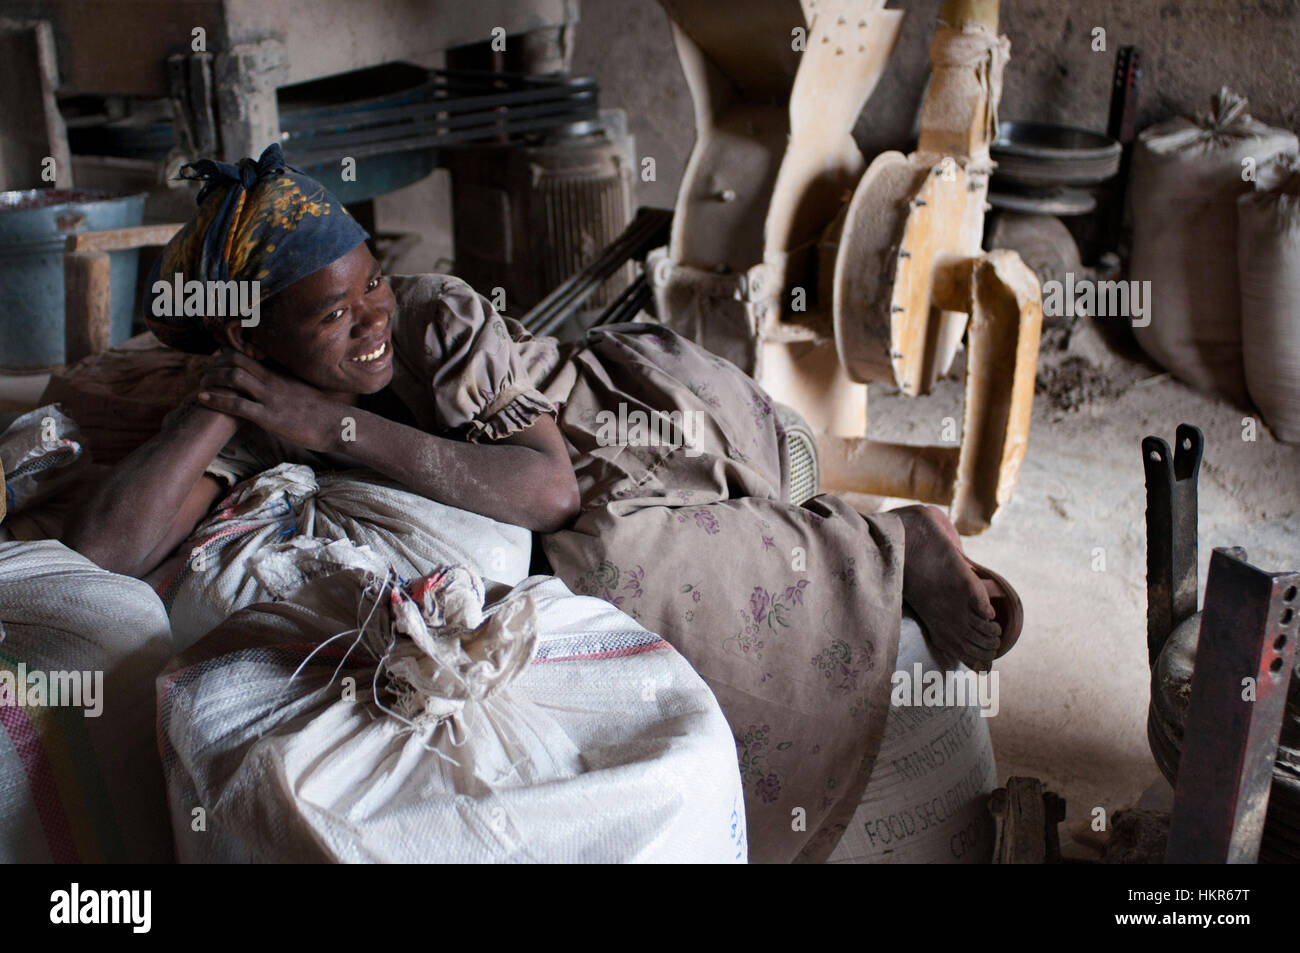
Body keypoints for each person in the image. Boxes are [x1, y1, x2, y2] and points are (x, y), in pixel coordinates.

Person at [63, 144, 1019, 863]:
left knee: (607, 563)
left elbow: (549, 488)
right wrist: (223, 394)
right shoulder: (262, 394)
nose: (371, 325)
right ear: (251, 337)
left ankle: (895, 540)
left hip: (619, 426)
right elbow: (101, 557)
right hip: (480, 455)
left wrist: (336, 428)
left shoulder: (434, 320)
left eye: (372, 286)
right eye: (334, 314)